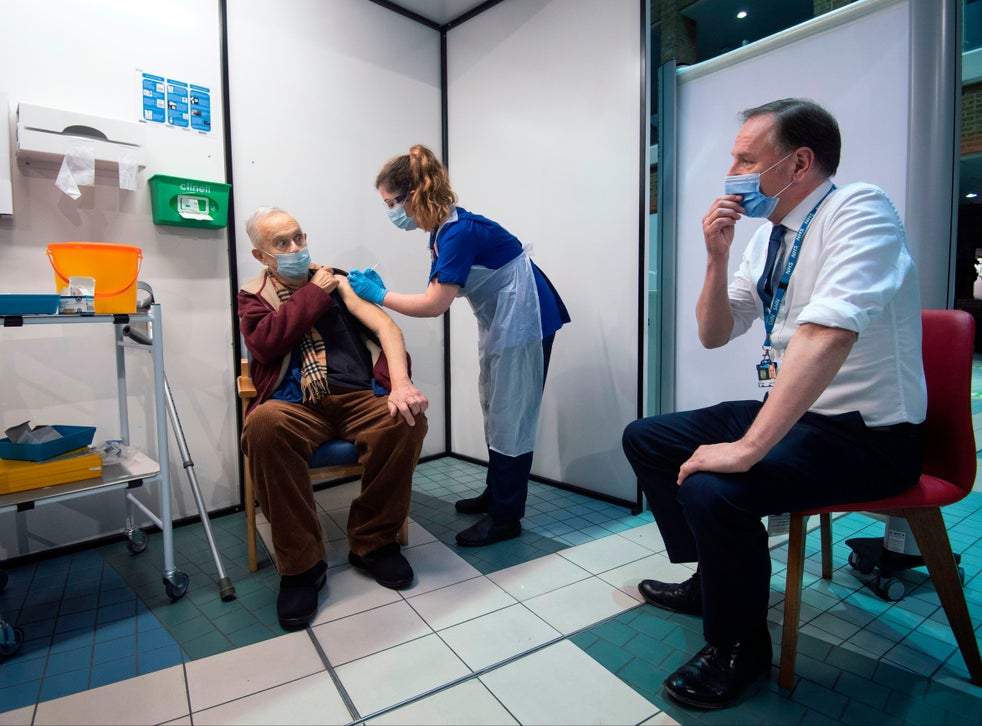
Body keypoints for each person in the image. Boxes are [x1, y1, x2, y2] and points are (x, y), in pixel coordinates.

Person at [622, 99, 926, 709]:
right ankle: (713, 580)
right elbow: (715, 331)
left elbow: (828, 331)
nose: (731, 171)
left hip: (866, 436)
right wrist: (716, 254)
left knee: (714, 488)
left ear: (799, 163)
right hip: (800, 419)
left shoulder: (859, 210)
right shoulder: (768, 237)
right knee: (646, 437)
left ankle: (740, 649)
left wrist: (748, 447)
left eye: (745, 159)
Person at [346, 144, 571, 547]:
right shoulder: (441, 230)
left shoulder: (459, 231)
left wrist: (378, 294)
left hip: (525, 315)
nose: (390, 213)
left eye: (391, 203)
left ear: (412, 195)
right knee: (495, 404)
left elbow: (434, 304)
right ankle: (495, 493)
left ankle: (506, 516)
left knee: (512, 412)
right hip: (502, 315)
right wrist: (381, 293)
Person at [238, 207, 429, 630]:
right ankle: (302, 565)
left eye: (298, 238)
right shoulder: (253, 296)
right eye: (281, 244)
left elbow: (387, 330)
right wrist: (314, 294)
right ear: (260, 255)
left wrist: (400, 384)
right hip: (296, 404)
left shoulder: (338, 279)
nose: (295, 249)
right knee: (263, 426)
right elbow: (267, 344)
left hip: (358, 396)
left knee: (405, 418)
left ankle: (374, 542)